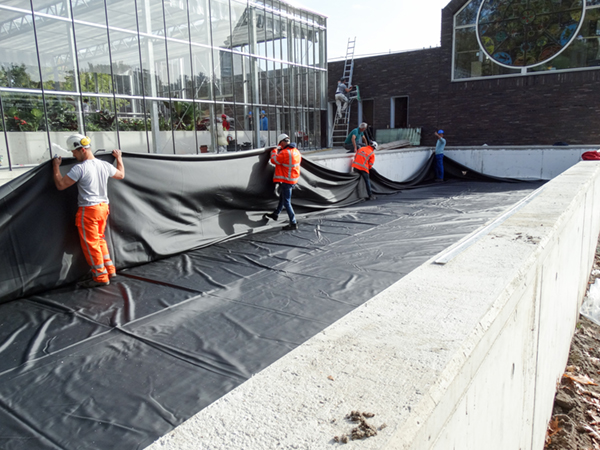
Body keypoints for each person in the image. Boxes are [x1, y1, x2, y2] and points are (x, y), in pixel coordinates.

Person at [52, 134, 125, 288]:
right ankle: (110, 270)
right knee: (100, 239)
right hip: (103, 208)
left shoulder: (79, 168)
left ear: (83, 150)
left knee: (91, 244)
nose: (72, 154)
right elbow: (121, 175)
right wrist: (119, 158)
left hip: (89, 211)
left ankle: (100, 277)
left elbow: (60, 185)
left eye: (74, 152)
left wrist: (55, 167)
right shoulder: (104, 165)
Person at [263, 133, 302, 231]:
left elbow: (274, 160)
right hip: (293, 179)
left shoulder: (285, 153)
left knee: (286, 202)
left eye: (280, 144)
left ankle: (293, 223)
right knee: (283, 197)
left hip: (287, 180)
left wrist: (274, 150)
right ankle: (276, 214)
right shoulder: (296, 151)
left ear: (281, 143)